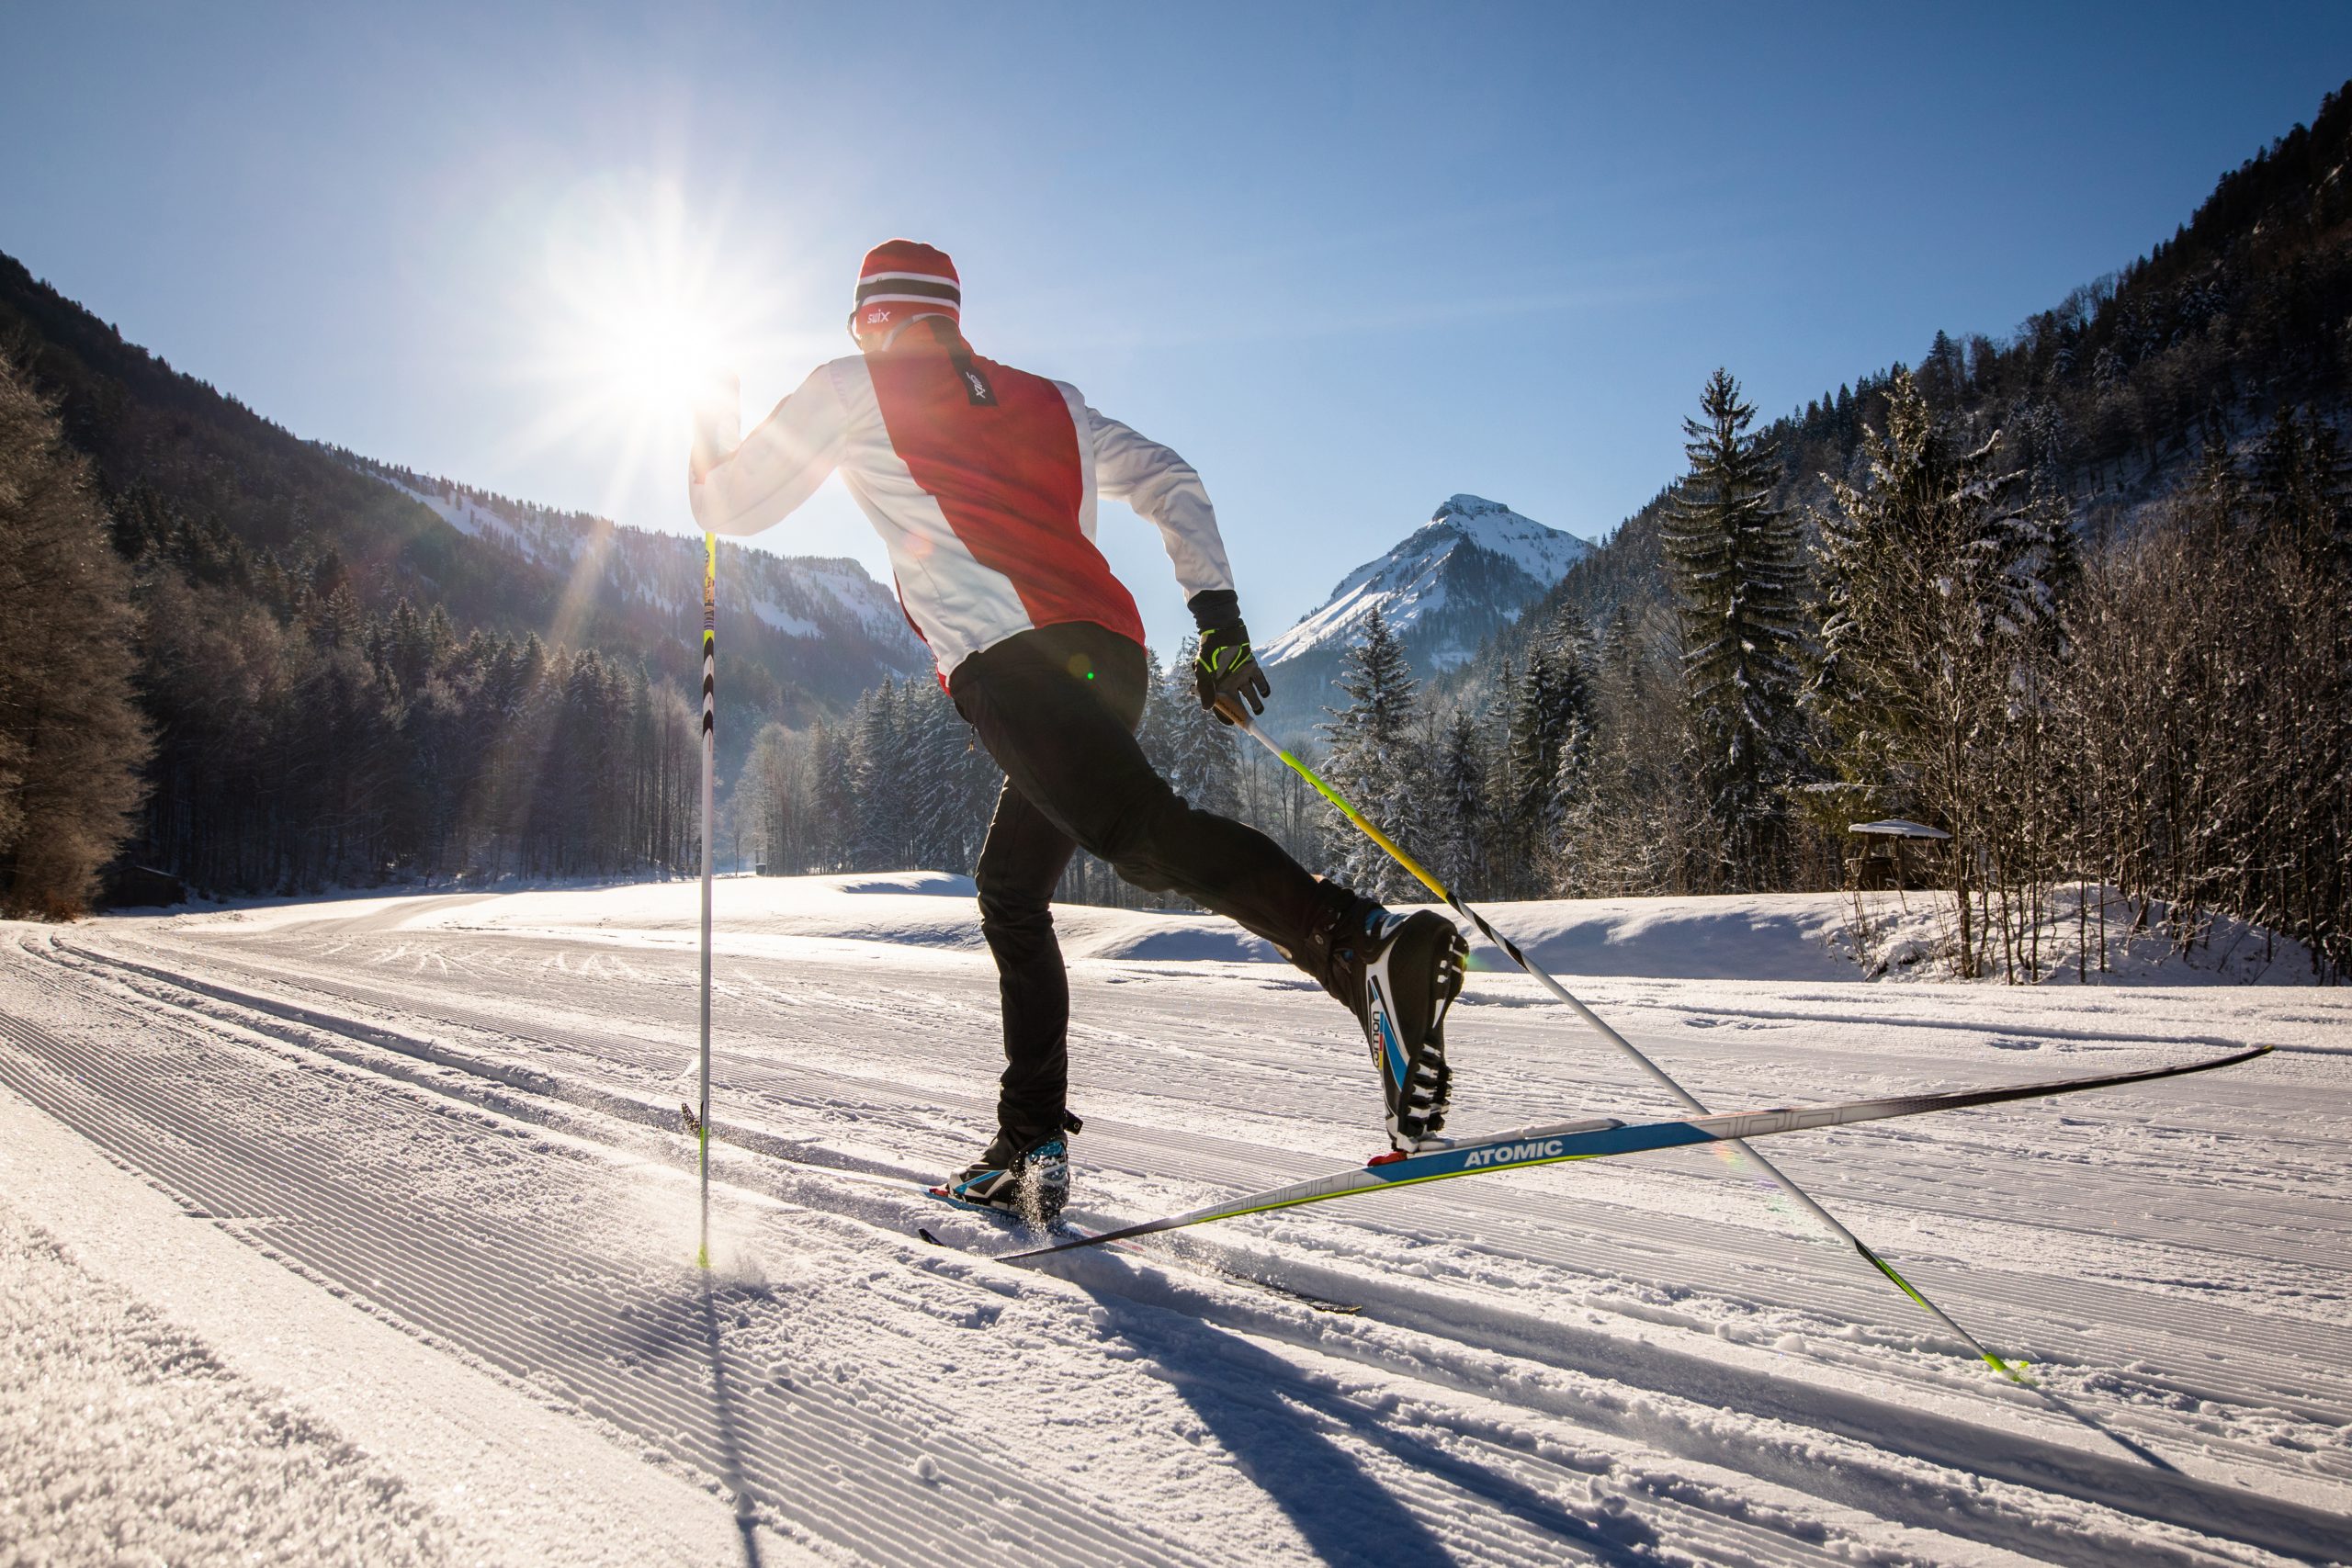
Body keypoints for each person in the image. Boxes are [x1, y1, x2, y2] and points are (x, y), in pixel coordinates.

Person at [687, 240, 1466, 1219]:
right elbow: (1172, 479)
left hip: (1015, 668)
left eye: (860, 324)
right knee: (1011, 891)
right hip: (1113, 657)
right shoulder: (1053, 399)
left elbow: (725, 502)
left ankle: (1358, 945)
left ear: (878, 318)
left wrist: (709, 417)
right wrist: (1218, 623)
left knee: (1135, 833)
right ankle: (1029, 1140)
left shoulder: (853, 386)